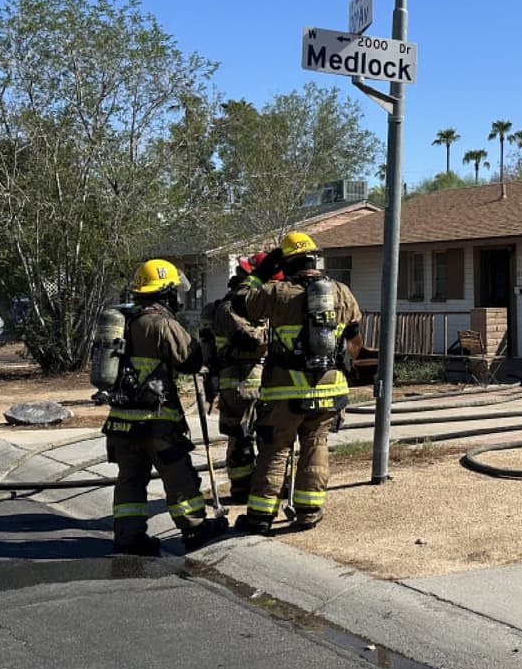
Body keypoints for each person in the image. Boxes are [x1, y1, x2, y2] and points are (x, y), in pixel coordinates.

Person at [232, 232, 362, 533]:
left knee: (275, 450)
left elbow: (239, 302)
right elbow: (354, 338)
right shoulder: (341, 291)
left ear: (285, 263)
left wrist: (260, 273)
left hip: (285, 391)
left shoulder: (277, 292)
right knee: (316, 445)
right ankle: (308, 511)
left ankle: (260, 516)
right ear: (313, 259)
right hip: (330, 388)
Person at [100, 258, 229, 556]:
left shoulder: (122, 320)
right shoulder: (161, 323)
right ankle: (194, 529)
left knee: (130, 479)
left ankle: (128, 537)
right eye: (174, 292)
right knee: (178, 475)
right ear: (166, 292)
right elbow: (191, 361)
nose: (177, 298)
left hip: (121, 420)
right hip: (156, 420)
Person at [199, 253, 277, 504]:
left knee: (270, 436)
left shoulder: (258, 306)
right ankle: (243, 489)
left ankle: (264, 485)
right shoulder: (231, 307)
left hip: (262, 380)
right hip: (240, 381)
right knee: (241, 436)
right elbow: (250, 341)